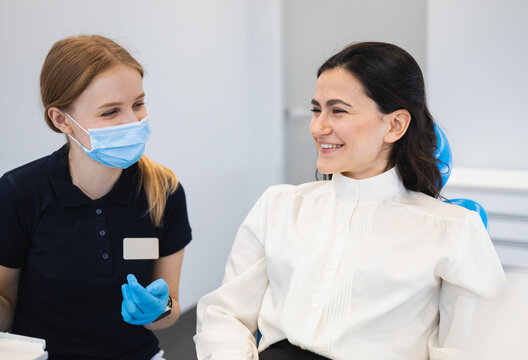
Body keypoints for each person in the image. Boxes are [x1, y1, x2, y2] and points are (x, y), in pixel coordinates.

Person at [194, 42, 506, 359]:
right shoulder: (280, 205)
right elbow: (225, 314)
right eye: (316, 110)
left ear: (395, 125)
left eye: (338, 111)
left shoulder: (452, 229)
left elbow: (468, 350)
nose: (318, 127)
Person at [0, 35, 192, 360]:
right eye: (110, 112)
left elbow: (169, 311)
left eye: (138, 104)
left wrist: (159, 309)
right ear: (62, 120)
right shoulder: (20, 193)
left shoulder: (164, 191)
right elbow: (6, 308)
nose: (133, 121)